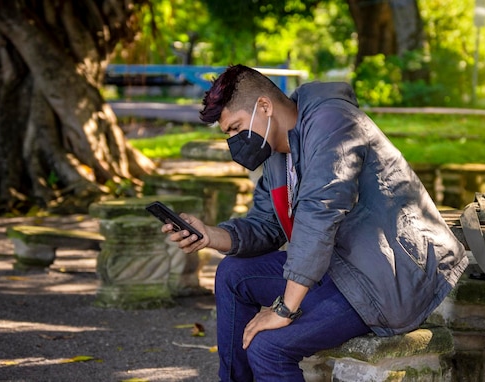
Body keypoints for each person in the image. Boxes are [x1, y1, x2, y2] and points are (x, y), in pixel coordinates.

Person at [162, 64, 468, 382]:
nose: (235, 142)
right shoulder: (278, 155)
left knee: (269, 347)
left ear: (264, 107)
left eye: (236, 128)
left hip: (390, 277)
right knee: (232, 273)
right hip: (338, 267)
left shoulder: (332, 121)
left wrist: (284, 310)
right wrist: (209, 235)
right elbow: (265, 225)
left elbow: (319, 212)